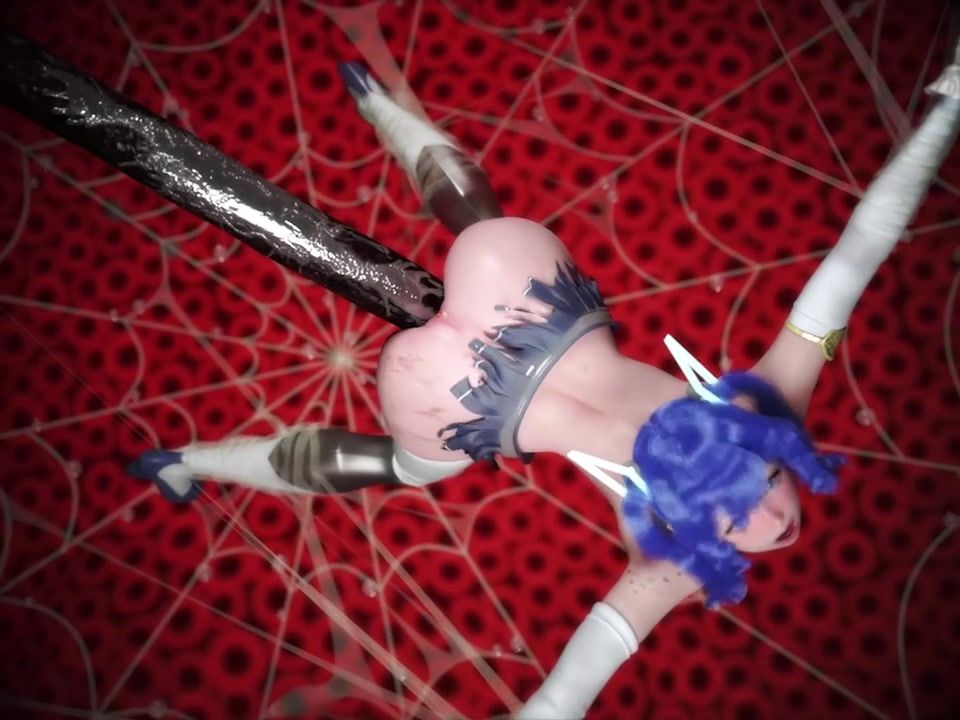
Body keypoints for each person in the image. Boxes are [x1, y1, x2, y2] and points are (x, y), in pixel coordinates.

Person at [128, 44, 960, 718]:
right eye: (771, 482)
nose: (779, 519)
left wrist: (948, 111)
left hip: (535, 297)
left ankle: (377, 102)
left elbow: (858, 250)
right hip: (457, 406)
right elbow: (566, 693)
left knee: (480, 223)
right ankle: (187, 462)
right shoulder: (672, 561)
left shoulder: (771, 405)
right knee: (398, 466)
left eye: (743, 510)